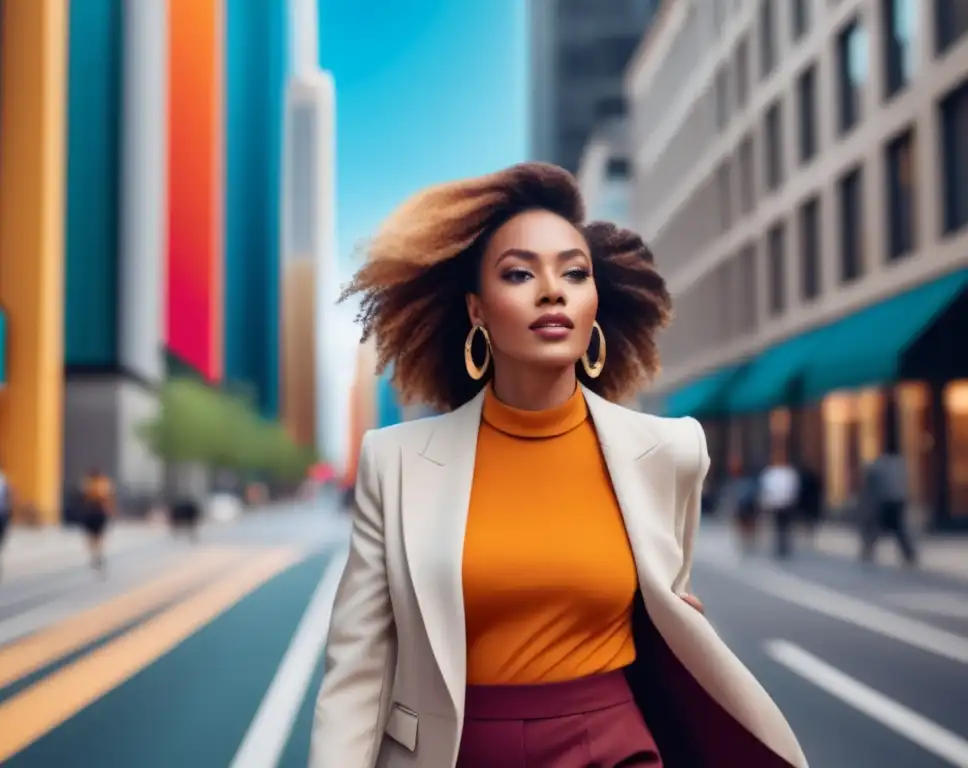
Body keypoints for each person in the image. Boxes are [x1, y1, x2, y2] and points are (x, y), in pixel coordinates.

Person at [309, 163, 806, 768]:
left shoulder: (669, 452)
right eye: (519, 273)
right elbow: (359, 672)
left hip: (613, 750)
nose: (553, 291)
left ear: (595, 302)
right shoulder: (396, 463)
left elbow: (665, 613)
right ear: (477, 311)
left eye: (574, 272)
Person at [861, 426, 916, 567]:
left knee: (878, 527)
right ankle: (909, 554)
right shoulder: (901, 463)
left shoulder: (882, 463)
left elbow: (871, 476)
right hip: (899, 500)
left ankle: (868, 550)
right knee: (898, 529)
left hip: (886, 500)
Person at [758, 447, 801, 560]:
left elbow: (793, 487)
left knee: (785, 526)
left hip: (786, 503)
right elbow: (766, 488)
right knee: (777, 526)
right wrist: (767, 500)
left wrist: (791, 499)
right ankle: (779, 546)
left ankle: (785, 546)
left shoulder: (789, 472)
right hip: (775, 503)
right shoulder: (771, 473)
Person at [80, 468, 115, 572]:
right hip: (97, 512)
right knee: (96, 536)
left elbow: (84, 498)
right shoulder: (103, 484)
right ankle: (97, 554)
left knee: (94, 536)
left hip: (95, 512)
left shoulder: (90, 484)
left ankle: (96, 554)